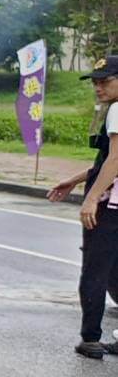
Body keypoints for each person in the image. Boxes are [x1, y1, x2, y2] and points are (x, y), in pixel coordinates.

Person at [47, 53, 118, 358]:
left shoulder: (116, 110)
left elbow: (115, 159)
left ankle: (90, 338)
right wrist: (76, 179)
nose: (99, 88)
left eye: (106, 81)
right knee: (115, 273)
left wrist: (90, 199)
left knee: (95, 269)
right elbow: (106, 161)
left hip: (109, 206)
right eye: (96, 82)